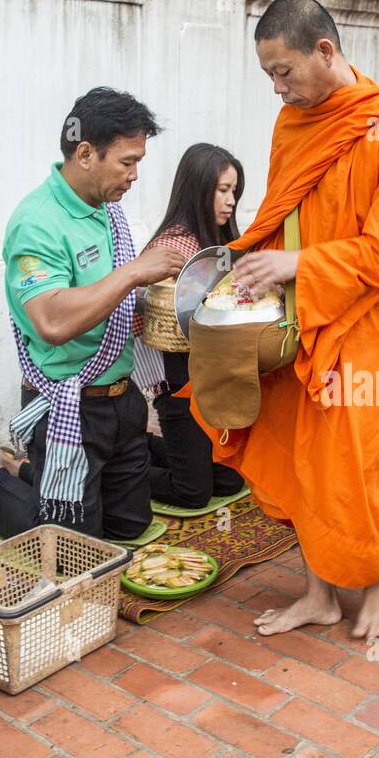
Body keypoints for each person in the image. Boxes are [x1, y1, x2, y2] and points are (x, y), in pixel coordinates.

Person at [188, 0, 379, 639]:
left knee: (360, 457)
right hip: (297, 317)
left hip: (362, 321)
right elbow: (280, 213)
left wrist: (299, 266)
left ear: (324, 52)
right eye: (268, 75)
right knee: (302, 455)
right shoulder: (292, 123)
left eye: (284, 72)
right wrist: (240, 268)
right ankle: (320, 594)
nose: (277, 89)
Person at [0, 88, 185, 541]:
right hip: (70, 404)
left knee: (128, 527)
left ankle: (47, 485)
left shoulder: (106, 207)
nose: (135, 175)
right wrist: (133, 275)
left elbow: (110, 297)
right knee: (73, 550)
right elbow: (51, 321)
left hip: (122, 400)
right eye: (127, 162)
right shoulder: (37, 222)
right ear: (86, 153)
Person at [141, 143, 246, 509]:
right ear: (197, 189)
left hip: (214, 385)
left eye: (234, 191)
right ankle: (114, 467)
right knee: (193, 493)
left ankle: (135, 448)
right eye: (222, 190)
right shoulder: (170, 248)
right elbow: (152, 319)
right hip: (178, 387)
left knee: (230, 480)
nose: (231, 200)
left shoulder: (220, 241)